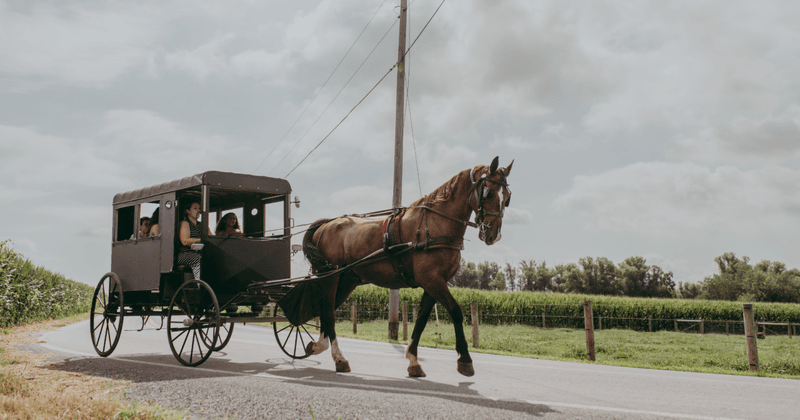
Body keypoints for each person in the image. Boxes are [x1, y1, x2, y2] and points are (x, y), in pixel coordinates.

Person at [177, 201, 203, 279]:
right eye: (195, 208)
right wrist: (202, 240)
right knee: (198, 259)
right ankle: (200, 284)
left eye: (199, 209)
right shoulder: (184, 223)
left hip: (200, 253)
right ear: (187, 211)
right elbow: (185, 241)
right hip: (185, 254)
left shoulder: (203, 225)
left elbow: (210, 237)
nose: (198, 210)